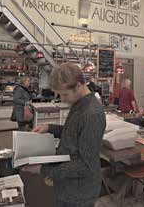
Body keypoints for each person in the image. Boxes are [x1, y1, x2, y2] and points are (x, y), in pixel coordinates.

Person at [29, 63, 106, 207]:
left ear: (78, 85)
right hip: (67, 184)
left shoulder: (92, 113)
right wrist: (49, 128)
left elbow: (85, 165)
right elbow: (74, 131)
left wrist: (45, 170)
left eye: (65, 94)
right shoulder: (79, 103)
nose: (63, 99)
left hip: (79, 192)